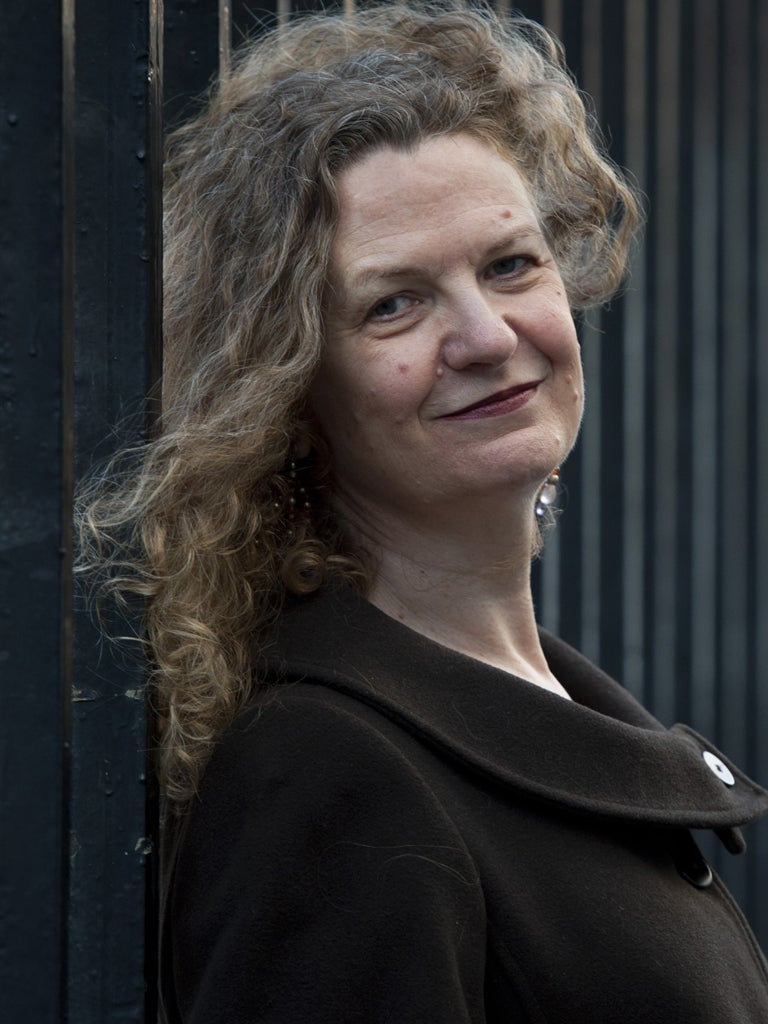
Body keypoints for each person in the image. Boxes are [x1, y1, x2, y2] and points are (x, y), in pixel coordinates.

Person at [77, 3, 768, 1021]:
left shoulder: (539, 699)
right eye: (394, 303)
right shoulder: (326, 782)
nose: (487, 336)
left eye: (509, 265)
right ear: (288, 390)